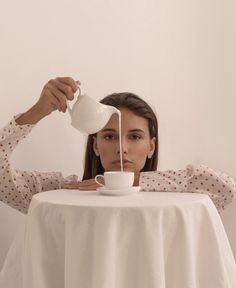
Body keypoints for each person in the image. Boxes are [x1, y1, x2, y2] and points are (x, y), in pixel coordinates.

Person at [0, 77, 235, 214]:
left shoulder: (171, 197)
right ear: (95, 145)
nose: (121, 148)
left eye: (134, 137)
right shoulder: (64, 193)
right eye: (110, 137)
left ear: (151, 146)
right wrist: (36, 112)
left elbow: (226, 189)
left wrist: (133, 182)